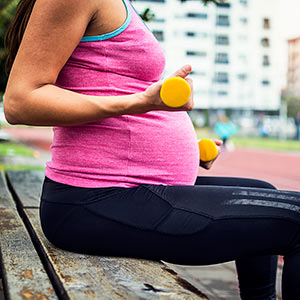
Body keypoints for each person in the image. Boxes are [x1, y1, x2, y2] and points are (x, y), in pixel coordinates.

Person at [3, 1, 300, 299]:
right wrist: (142, 103)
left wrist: (180, 151)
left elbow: (104, 87)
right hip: (94, 200)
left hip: (122, 188)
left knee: (264, 189)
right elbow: (21, 102)